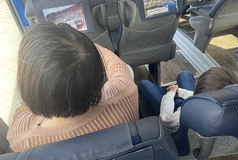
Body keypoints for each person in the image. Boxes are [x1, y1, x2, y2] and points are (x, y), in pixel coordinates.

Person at [7, 22, 139, 152]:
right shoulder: (126, 94)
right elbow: (117, 66)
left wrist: (34, 78)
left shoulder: (22, 140)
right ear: (97, 72)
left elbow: (25, 105)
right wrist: (78, 46)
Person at [138, 67, 238, 133]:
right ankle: (168, 93)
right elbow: (195, 96)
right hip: (186, 106)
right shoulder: (227, 104)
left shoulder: (187, 115)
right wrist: (179, 91)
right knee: (184, 74)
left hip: (172, 116)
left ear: (200, 97)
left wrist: (170, 94)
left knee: (144, 84)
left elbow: (165, 119)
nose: (195, 81)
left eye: (197, 82)